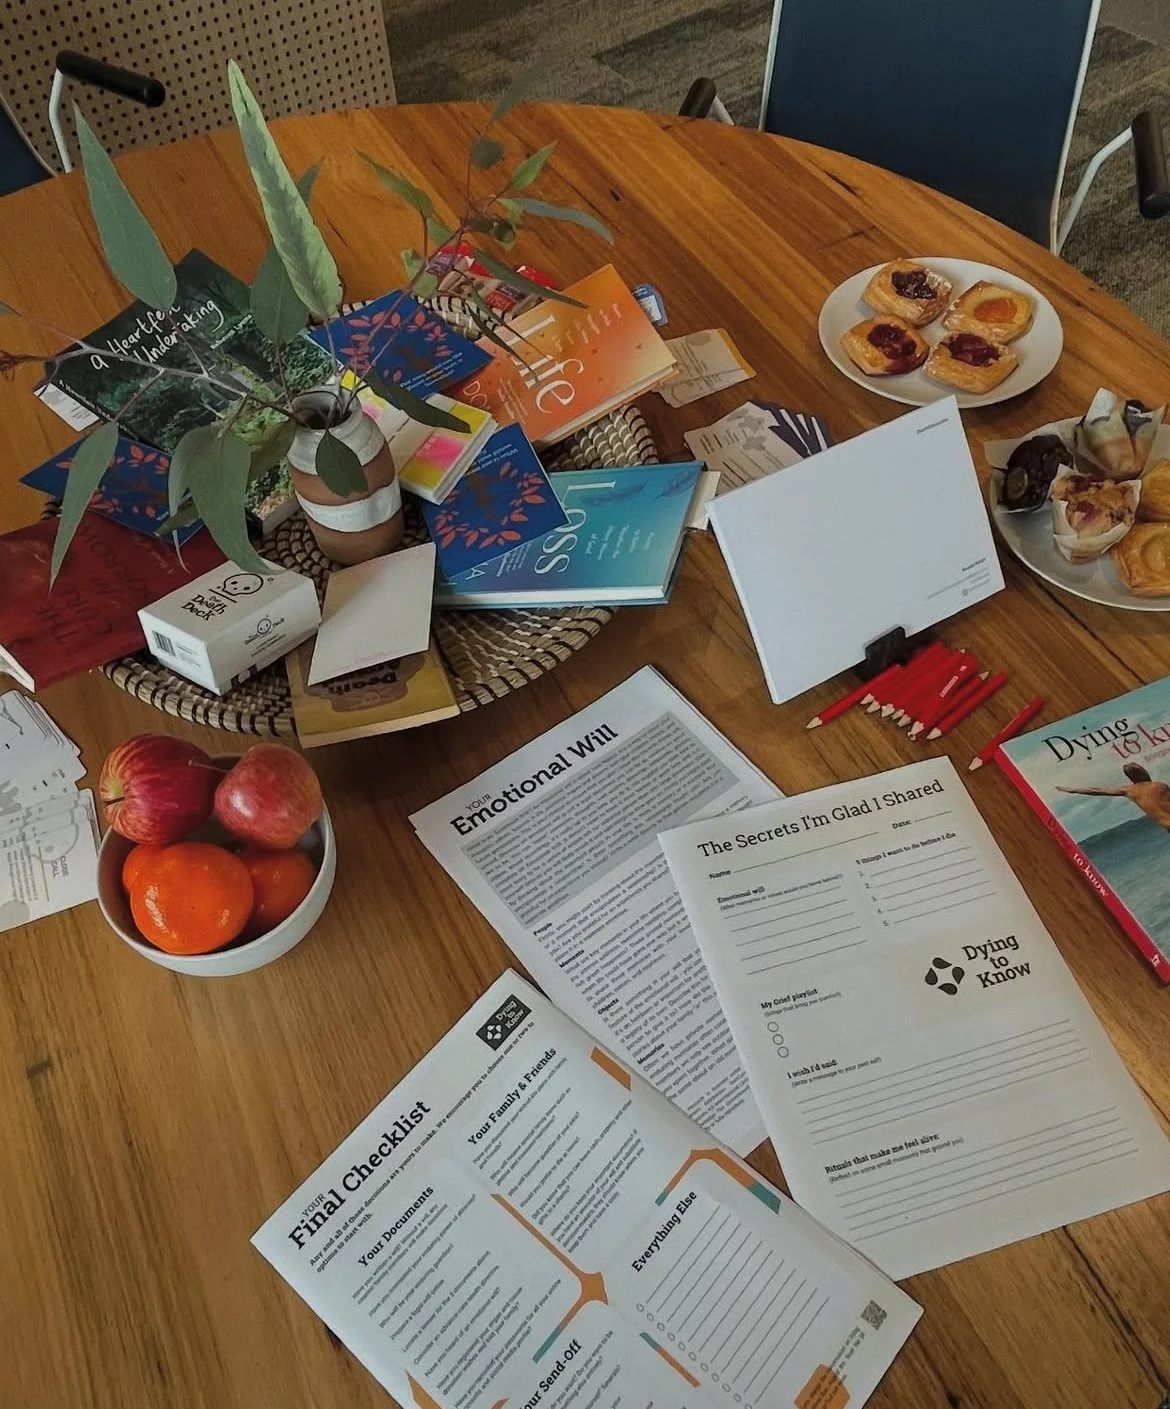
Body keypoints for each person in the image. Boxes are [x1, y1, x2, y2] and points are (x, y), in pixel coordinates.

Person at [1056, 762, 1170, 829]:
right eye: (1143, 770)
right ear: (1142, 773)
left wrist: (1073, 790)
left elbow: (1098, 790)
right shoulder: (1160, 786)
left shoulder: (1129, 790)